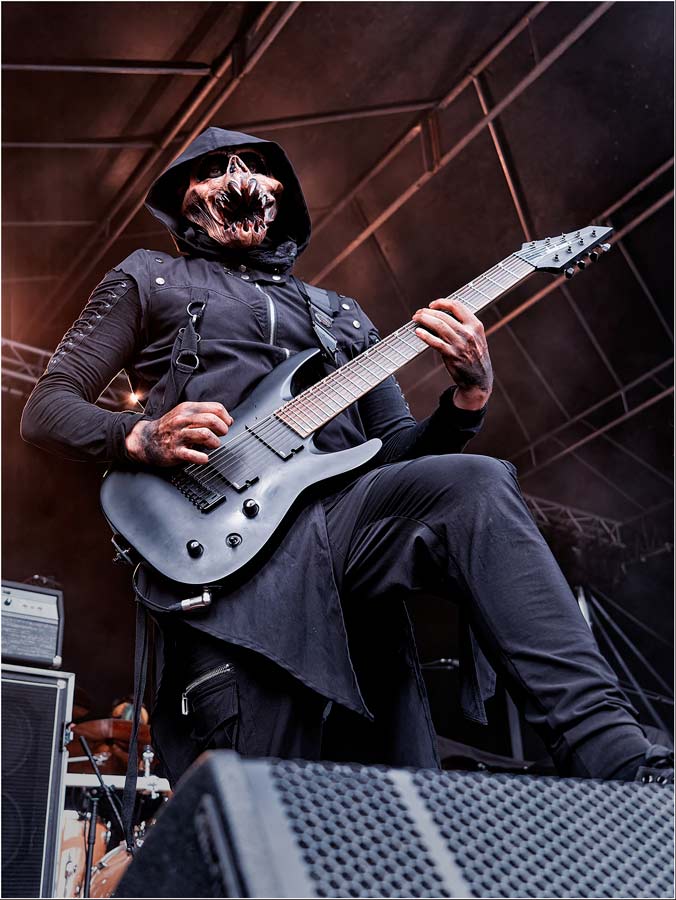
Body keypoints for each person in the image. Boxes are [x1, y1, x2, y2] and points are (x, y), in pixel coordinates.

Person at [21, 127, 672, 787]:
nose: (237, 178)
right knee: (262, 821)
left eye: (255, 167)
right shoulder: (149, 276)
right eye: (213, 169)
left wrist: (467, 400)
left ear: (282, 197)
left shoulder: (342, 316)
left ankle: (620, 759)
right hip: (231, 558)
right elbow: (46, 408)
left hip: (344, 534)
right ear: (182, 196)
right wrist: (141, 435)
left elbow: (400, 455)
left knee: (474, 483)